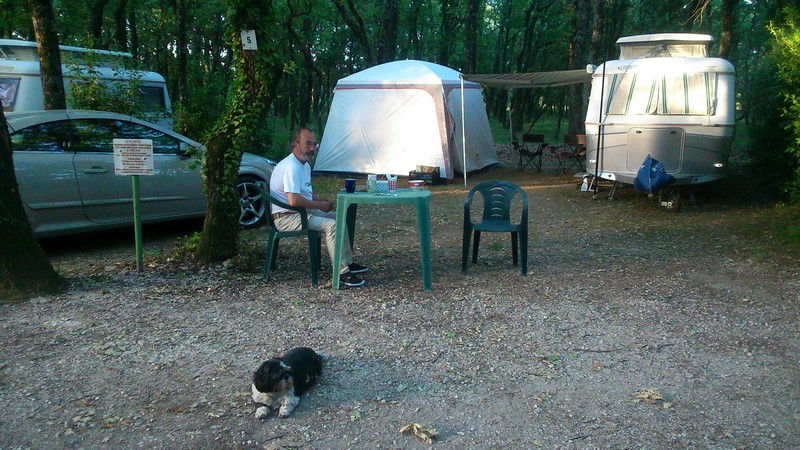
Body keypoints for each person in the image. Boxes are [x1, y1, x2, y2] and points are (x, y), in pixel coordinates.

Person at [269, 128, 368, 287]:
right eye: (308, 144)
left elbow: (305, 194)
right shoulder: (291, 167)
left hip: (300, 212)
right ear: (295, 144)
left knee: (339, 217)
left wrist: (320, 201)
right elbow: (294, 200)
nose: (312, 148)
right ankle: (342, 273)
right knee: (332, 225)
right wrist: (319, 205)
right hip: (286, 217)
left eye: (315, 144)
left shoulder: (304, 165)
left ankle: (347, 262)